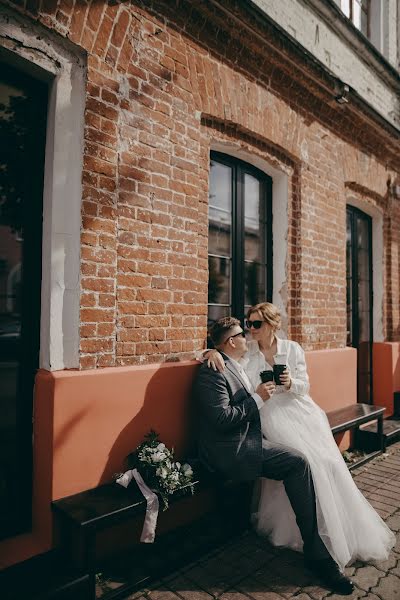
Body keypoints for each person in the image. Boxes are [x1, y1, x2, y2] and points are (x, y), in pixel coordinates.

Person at [200, 305, 395, 587]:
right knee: (302, 465)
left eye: (255, 325)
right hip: (270, 417)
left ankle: (337, 529)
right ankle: (304, 536)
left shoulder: (291, 348)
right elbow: (225, 364)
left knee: (326, 465)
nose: (251, 331)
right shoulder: (248, 353)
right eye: (248, 326)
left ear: (270, 324)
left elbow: (305, 385)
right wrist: (209, 351)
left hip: (300, 413)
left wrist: (291, 382)